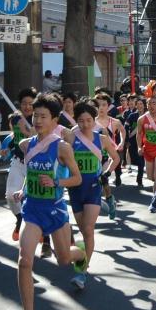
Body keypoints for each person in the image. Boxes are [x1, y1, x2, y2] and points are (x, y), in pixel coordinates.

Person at [12, 93, 85, 310]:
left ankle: (80, 254)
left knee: (63, 259)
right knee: (24, 261)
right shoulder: (26, 145)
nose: (38, 120)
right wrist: (23, 190)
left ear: (55, 120)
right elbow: (29, 172)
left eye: (43, 116)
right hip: (32, 210)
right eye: (35, 115)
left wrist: (56, 181)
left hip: (54, 210)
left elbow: (77, 178)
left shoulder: (62, 147)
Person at [63, 100, 119, 289]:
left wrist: (107, 173)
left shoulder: (101, 139)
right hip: (75, 188)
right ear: (76, 120)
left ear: (94, 119)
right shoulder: (71, 138)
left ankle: (82, 272)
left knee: (87, 229)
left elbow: (116, 157)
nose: (85, 124)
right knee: (82, 229)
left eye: (88, 120)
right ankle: (105, 204)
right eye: (81, 120)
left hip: (94, 186)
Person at [6, 88, 39, 246]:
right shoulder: (15, 119)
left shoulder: (39, 120)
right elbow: (15, 138)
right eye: (24, 104)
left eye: (30, 104)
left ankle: (42, 234)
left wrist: (27, 129)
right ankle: (19, 218)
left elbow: (33, 137)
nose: (27, 107)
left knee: (35, 199)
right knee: (11, 195)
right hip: (18, 161)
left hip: (35, 164)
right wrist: (9, 147)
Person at [94, 93, 126, 219]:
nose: (101, 108)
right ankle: (105, 200)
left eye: (103, 105)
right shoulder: (90, 121)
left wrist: (121, 142)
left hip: (107, 156)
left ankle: (109, 201)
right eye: (98, 105)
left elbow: (123, 131)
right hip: (92, 156)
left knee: (103, 180)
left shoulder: (115, 122)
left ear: (108, 106)